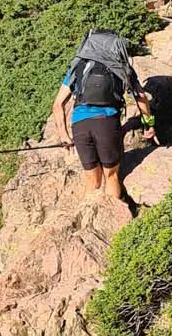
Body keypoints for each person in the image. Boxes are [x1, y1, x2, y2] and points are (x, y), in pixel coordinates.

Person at [50, 28, 154, 209]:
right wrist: (149, 124)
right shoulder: (120, 65)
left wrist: (64, 135)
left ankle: (90, 218)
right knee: (111, 176)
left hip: (79, 125)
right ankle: (115, 219)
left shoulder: (79, 66)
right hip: (106, 122)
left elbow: (58, 104)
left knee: (92, 179)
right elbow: (141, 97)